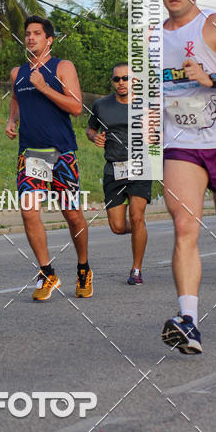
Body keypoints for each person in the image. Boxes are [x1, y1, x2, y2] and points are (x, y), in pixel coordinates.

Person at [161, 0, 216, 354]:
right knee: (184, 226)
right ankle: (188, 321)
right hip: (181, 142)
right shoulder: (151, 39)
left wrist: (213, 78)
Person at [6, 15, 92, 299]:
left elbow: (77, 107)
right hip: (33, 154)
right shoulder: (17, 72)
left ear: (49, 40)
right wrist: (11, 120)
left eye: (36, 34)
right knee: (29, 213)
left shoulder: (61, 67)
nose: (30, 38)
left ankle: (83, 268)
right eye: (27, 33)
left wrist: (44, 86)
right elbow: (17, 98)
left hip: (62, 153)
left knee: (72, 215)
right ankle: (48, 274)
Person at [86, 63, 151, 284]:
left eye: (126, 78)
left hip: (141, 165)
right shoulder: (101, 105)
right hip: (113, 168)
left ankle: (136, 270)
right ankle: (140, 229)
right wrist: (94, 137)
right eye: (117, 79)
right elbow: (90, 128)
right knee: (117, 226)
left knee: (136, 215)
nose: (121, 82)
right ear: (112, 81)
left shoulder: (146, 105)